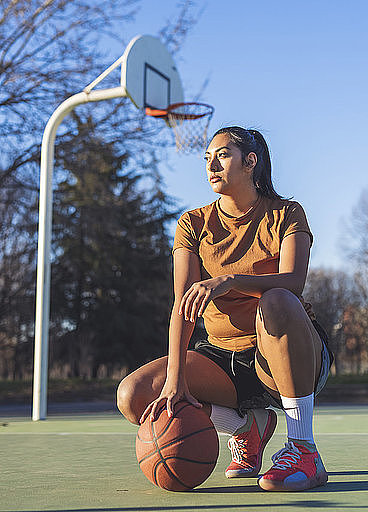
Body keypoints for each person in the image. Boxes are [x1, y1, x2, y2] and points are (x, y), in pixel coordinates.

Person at [117, 126, 333, 492]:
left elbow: (293, 282)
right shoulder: (193, 223)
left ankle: (303, 448)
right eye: (207, 158)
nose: (211, 164)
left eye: (222, 155)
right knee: (135, 396)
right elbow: (182, 304)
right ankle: (246, 427)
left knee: (278, 299)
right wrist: (175, 379)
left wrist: (229, 280)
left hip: (284, 356)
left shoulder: (287, 213)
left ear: (250, 162)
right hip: (222, 360)